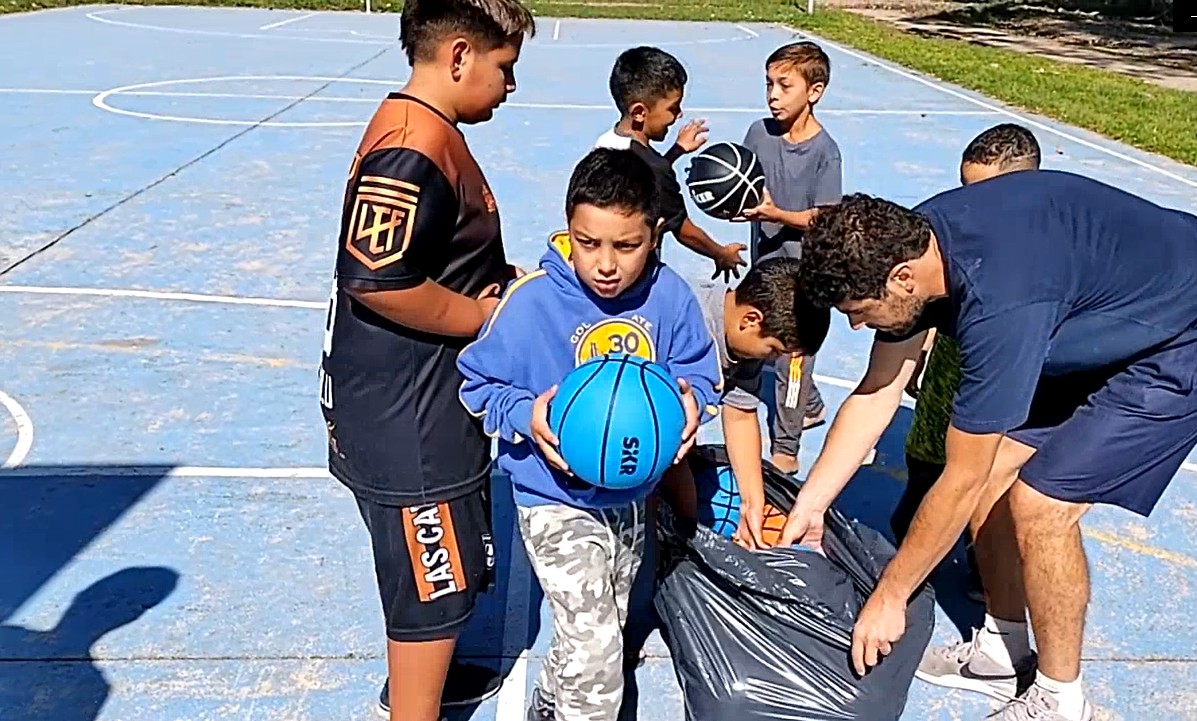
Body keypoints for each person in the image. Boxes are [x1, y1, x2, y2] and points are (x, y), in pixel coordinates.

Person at [781, 171, 1197, 721]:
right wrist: (810, 504)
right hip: (1092, 314)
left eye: (858, 310)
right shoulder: (908, 242)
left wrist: (890, 597)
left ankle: (1061, 699)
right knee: (991, 487)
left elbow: (958, 479)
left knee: (1039, 508)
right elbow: (880, 389)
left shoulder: (999, 302)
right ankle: (1003, 648)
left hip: (1176, 334)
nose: (858, 326)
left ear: (902, 279)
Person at [316, 1, 535, 719]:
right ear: (461, 55)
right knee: (429, 589)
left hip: (425, 402)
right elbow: (376, 279)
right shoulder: (411, 145)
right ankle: (413, 704)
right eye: (504, 69)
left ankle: (425, 681)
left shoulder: (432, 131)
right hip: (405, 417)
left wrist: (501, 285)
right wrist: (482, 314)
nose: (509, 86)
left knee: (447, 574)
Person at [456, 147, 723, 721]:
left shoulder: (670, 297)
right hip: (553, 500)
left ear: (654, 235)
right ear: (568, 230)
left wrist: (692, 403)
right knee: (598, 655)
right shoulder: (532, 302)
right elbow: (477, 383)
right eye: (587, 242)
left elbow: (701, 372)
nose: (605, 263)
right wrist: (525, 414)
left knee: (603, 628)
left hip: (629, 496)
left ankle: (551, 702)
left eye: (625, 246)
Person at [897, 123, 1043, 601]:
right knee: (924, 468)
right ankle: (914, 552)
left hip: (1001, 386)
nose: (969, 205)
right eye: (964, 190)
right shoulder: (955, 233)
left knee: (988, 484)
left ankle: (989, 574)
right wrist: (920, 350)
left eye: (981, 193)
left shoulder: (1040, 250)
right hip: (948, 373)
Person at [668, 257, 831, 549]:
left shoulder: (743, 341)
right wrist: (688, 531)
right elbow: (670, 449)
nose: (771, 359)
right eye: (773, 350)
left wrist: (752, 504)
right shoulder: (685, 325)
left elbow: (741, 412)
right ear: (751, 320)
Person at [737, 40, 842, 474]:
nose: (773, 95)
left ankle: (787, 444)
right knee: (757, 348)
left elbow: (826, 217)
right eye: (768, 85)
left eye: (784, 85)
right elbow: (742, 179)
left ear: (814, 92)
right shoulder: (759, 134)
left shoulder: (825, 151)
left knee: (793, 363)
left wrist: (778, 214)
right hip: (765, 269)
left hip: (804, 277)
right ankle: (811, 405)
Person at [594, 45, 747, 282]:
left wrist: (675, 152)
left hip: (602, 267)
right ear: (639, 113)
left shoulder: (606, 144)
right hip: (635, 278)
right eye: (672, 108)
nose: (679, 115)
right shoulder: (655, 169)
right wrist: (720, 253)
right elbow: (683, 230)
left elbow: (640, 176)